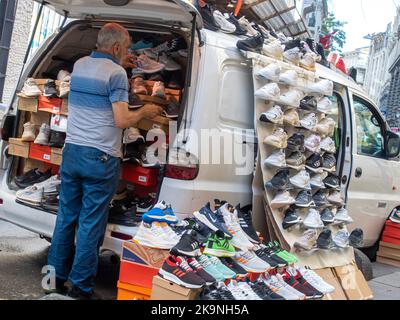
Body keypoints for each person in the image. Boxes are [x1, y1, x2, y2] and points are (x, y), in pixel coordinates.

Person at [47, 23, 162, 299]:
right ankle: (81, 288)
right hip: (100, 157)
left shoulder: (80, 65)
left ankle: (53, 279)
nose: (128, 54)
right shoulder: (117, 73)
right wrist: (146, 109)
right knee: (90, 223)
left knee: (65, 219)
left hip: (72, 151)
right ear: (117, 48)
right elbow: (121, 120)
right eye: (127, 48)